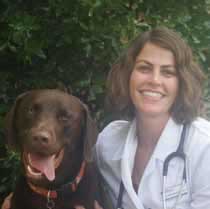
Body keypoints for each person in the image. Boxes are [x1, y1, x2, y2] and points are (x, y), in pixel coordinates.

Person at [2, 26, 210, 209]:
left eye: (168, 72)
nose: (155, 80)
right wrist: (24, 196)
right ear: (128, 75)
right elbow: (73, 174)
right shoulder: (109, 141)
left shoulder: (203, 145)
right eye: (144, 68)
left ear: (182, 82)